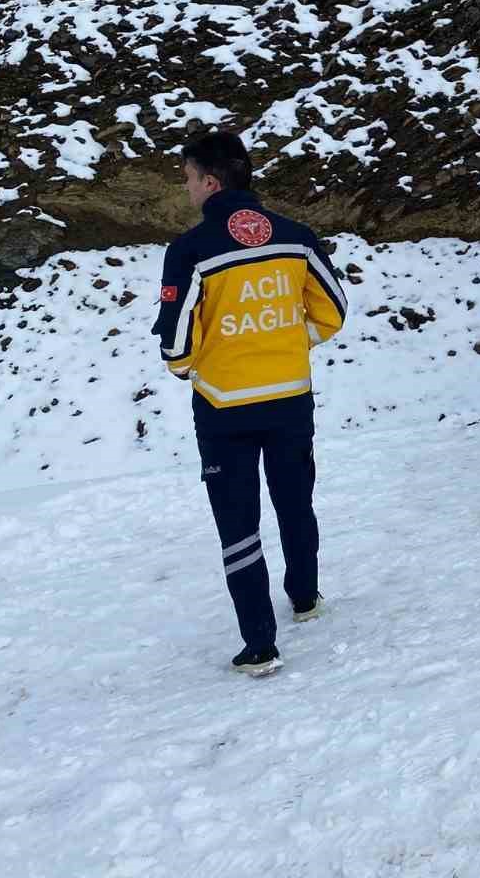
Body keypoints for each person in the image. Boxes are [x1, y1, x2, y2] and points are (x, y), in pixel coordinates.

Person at [151, 131, 349, 676]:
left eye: (188, 178)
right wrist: (288, 344)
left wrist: (190, 365)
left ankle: (260, 645)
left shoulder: (190, 249)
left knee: (238, 521)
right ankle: (306, 598)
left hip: (224, 406)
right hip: (290, 398)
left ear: (210, 181)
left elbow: (175, 341)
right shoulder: (296, 236)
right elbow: (332, 311)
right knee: (295, 499)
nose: (187, 188)